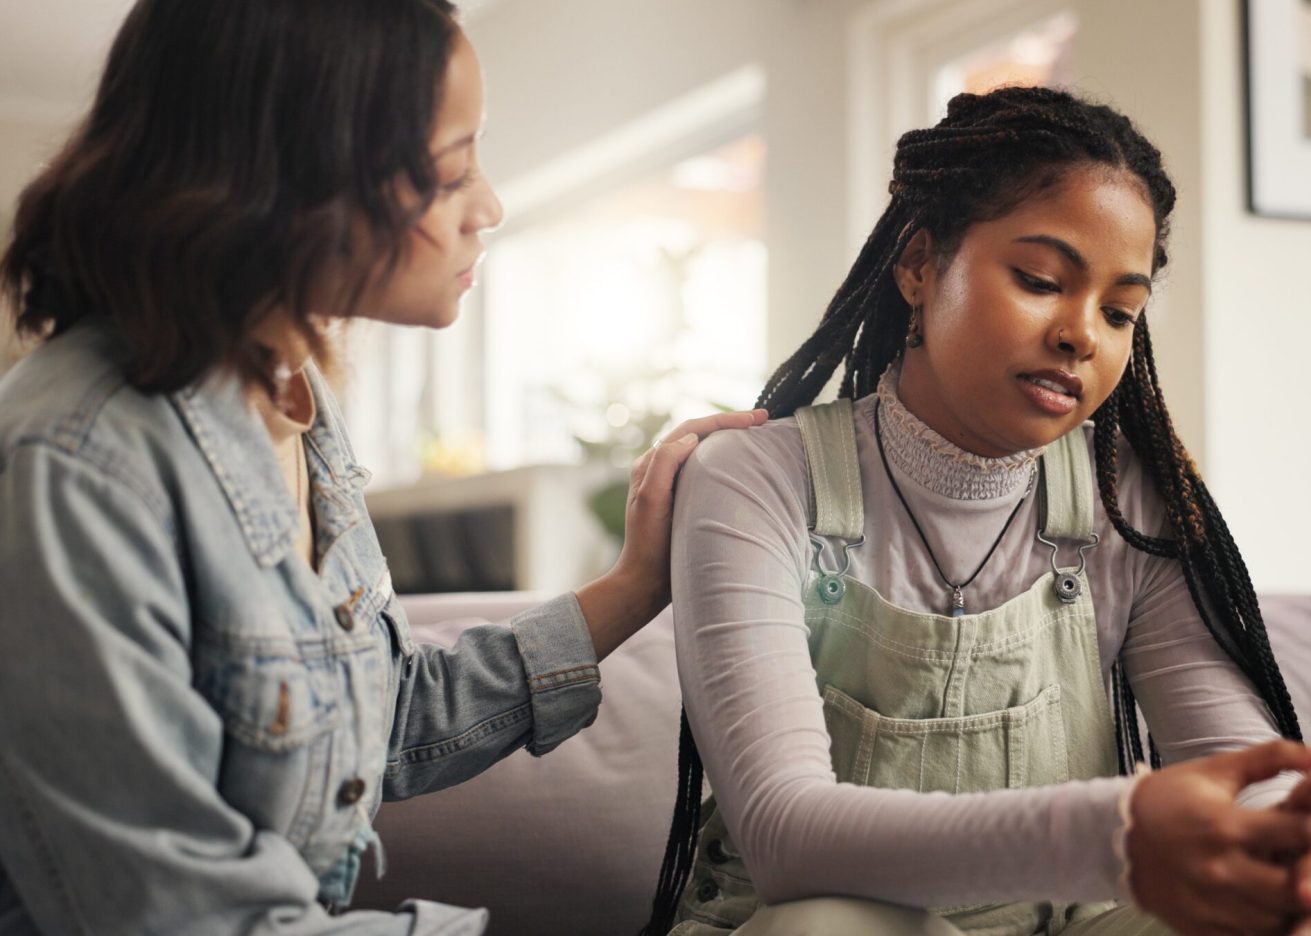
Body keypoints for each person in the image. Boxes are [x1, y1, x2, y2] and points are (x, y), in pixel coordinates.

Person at [0, 1, 764, 933]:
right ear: (295, 176)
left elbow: (380, 716)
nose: (490, 206)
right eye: (453, 170)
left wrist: (639, 582)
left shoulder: (286, 397)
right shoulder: (75, 466)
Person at [644, 87, 1311, 936]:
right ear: (918, 265)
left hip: (1070, 921)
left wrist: (1290, 835)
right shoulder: (755, 480)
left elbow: (1240, 763)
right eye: (1041, 280)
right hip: (832, 920)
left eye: (1119, 311)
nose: (1081, 333)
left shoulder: (1124, 501)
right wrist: (1117, 833)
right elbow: (786, 835)